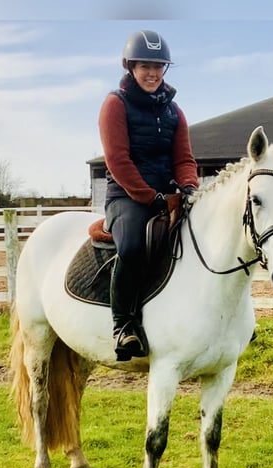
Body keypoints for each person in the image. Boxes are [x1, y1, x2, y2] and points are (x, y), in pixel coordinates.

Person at [99, 29, 199, 361]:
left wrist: (188, 187)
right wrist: (149, 197)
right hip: (126, 197)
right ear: (130, 67)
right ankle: (123, 325)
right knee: (131, 246)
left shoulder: (175, 112)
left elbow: (183, 159)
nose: (153, 73)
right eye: (145, 66)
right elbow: (118, 161)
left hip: (166, 194)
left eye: (158, 66)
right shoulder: (115, 104)